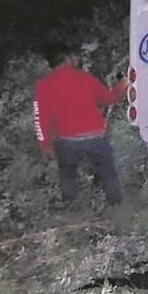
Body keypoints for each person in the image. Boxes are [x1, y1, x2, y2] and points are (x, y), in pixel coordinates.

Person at [33, 46, 127, 205]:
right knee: (108, 176)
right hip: (96, 137)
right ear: (67, 59)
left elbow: (40, 119)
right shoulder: (85, 77)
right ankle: (116, 207)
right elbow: (110, 99)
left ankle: (73, 209)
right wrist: (123, 84)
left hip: (67, 141)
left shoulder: (43, 85)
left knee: (68, 178)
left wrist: (45, 145)